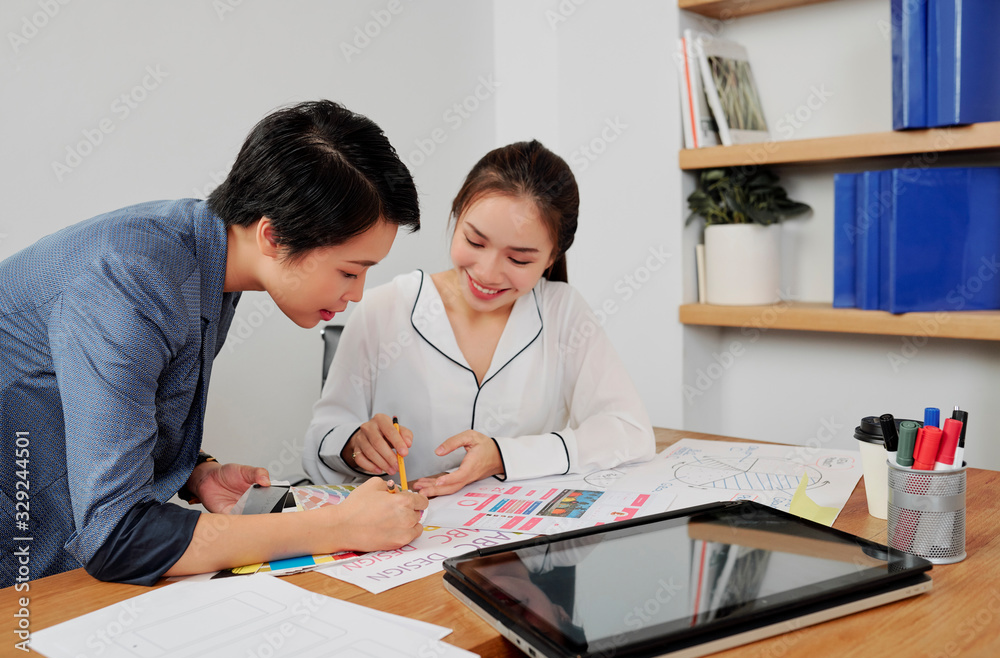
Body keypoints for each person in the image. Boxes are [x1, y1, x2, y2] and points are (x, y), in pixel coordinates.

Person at [0, 100, 428, 589]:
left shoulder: (205, 255)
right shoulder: (132, 279)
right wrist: (338, 527)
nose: (357, 294)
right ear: (273, 236)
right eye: (350, 272)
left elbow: (113, 406)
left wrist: (196, 470)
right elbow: (117, 537)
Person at [304, 140, 654, 496]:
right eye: (475, 241)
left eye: (518, 259)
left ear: (552, 257)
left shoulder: (562, 312)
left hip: (518, 527)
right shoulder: (385, 307)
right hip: (405, 525)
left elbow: (631, 432)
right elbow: (320, 439)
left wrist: (503, 456)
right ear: (457, 216)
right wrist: (353, 444)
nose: (487, 272)